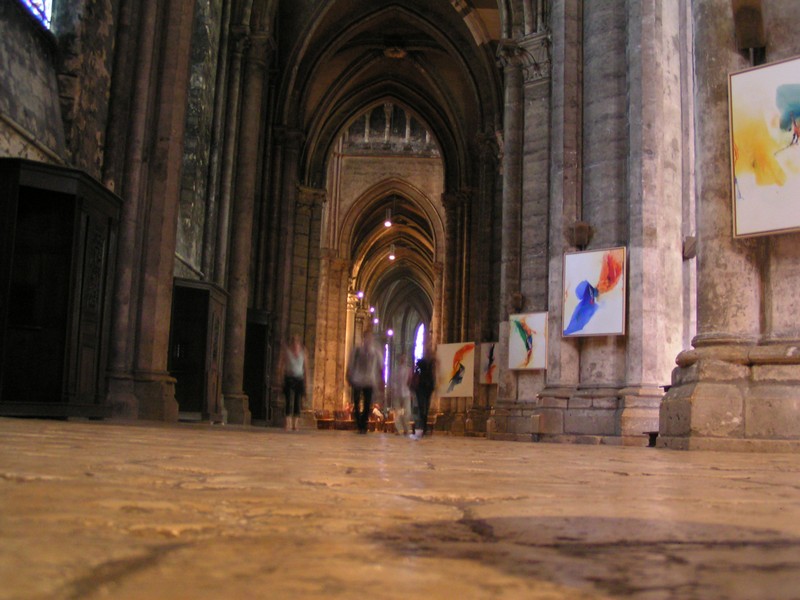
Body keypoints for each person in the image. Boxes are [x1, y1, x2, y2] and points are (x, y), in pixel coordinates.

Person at [346, 327, 384, 434]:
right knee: (356, 403)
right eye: (367, 337)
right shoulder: (357, 350)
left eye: (370, 337)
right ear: (364, 338)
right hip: (357, 379)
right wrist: (348, 374)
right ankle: (359, 424)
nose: (369, 339)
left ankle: (363, 424)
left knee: (367, 405)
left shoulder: (375, 352)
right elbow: (351, 364)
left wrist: (381, 379)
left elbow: (381, 366)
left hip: (369, 380)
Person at [278, 334, 307, 431]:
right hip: (289, 377)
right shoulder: (286, 352)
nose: (295, 343)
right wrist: (280, 377)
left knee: (297, 401)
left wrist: (306, 382)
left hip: (299, 378)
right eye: (293, 341)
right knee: (288, 401)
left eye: (297, 341)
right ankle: (288, 423)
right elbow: (281, 365)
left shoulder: (303, 352)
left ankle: (296, 424)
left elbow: (305, 368)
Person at [413, 344, 436, 439]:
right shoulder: (421, 362)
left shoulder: (431, 363)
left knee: (424, 408)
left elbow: (434, 374)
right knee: (422, 408)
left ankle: (423, 426)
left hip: (427, 387)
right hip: (421, 387)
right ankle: (421, 426)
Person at [389, 354, 413, 436]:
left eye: (405, 359)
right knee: (398, 412)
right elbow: (392, 381)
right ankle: (399, 429)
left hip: (406, 392)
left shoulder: (408, 370)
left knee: (407, 412)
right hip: (397, 393)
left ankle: (406, 428)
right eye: (402, 359)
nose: (403, 360)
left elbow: (410, 381)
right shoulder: (395, 371)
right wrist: (394, 389)